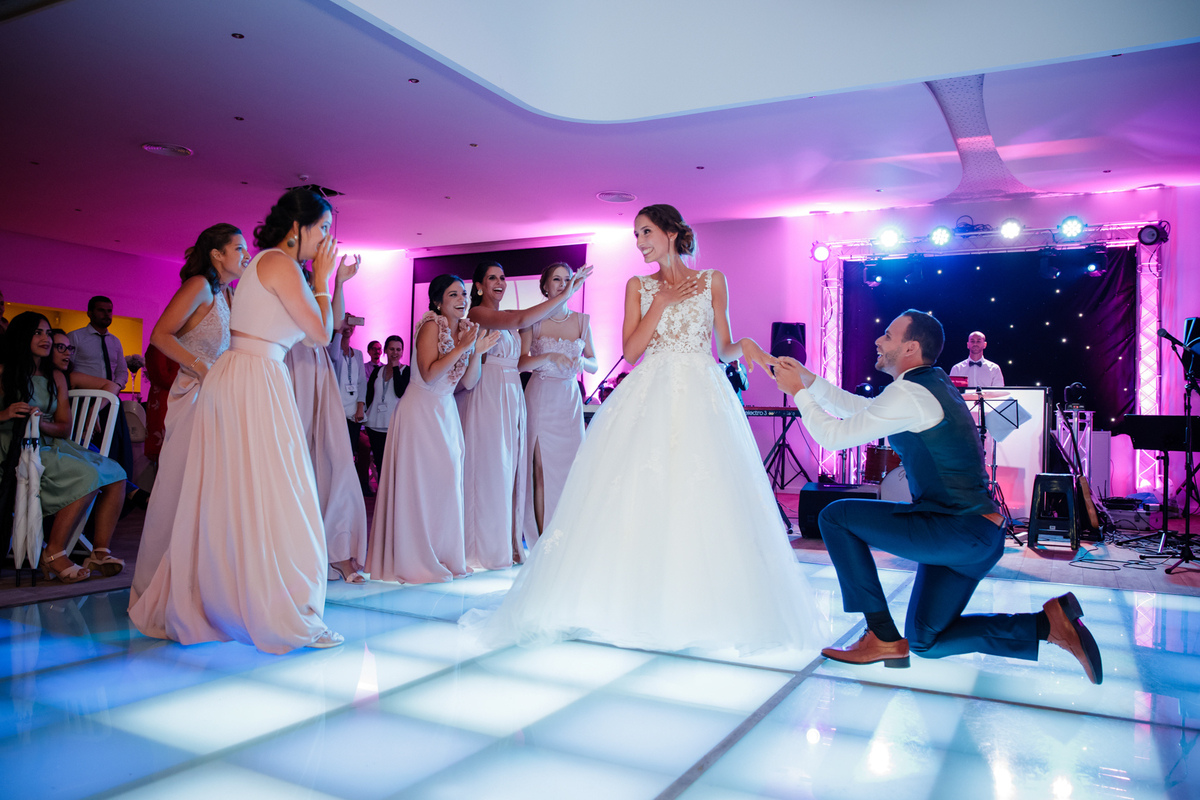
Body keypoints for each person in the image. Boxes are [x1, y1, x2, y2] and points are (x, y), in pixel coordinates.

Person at [466, 204, 819, 654]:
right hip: (651, 389)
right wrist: (663, 303)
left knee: (701, 493)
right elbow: (632, 351)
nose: (639, 242)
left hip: (702, 392)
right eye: (635, 234)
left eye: (646, 231)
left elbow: (724, 347)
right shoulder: (639, 285)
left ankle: (700, 607)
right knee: (637, 490)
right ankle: (621, 601)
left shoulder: (712, 280)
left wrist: (746, 345)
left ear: (672, 232)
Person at [772, 310, 1103, 683]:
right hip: (974, 537)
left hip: (957, 531)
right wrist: (808, 381)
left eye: (888, 335)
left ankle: (880, 634)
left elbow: (833, 436)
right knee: (926, 641)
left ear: (910, 347)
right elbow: (860, 409)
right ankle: (1047, 625)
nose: (878, 341)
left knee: (835, 517)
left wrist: (798, 393)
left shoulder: (909, 392)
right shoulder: (929, 383)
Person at [130, 188, 343, 653]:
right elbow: (321, 333)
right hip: (253, 377)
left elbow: (317, 334)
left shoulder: (272, 265)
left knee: (245, 491)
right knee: (273, 490)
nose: (327, 238)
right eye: (323, 228)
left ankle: (237, 595)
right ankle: (268, 603)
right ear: (298, 227)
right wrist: (324, 279)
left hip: (254, 375)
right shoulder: (279, 264)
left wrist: (330, 281)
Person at [128, 223, 246, 606]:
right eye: (239, 248)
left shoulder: (226, 293)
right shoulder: (198, 285)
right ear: (217, 254)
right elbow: (161, 335)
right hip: (194, 394)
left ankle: (201, 583)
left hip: (218, 396)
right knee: (183, 486)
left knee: (210, 490)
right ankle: (164, 584)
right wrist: (201, 366)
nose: (245, 256)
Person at [457, 259, 592, 568]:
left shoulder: (504, 315)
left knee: (512, 471)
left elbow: (517, 325)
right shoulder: (479, 313)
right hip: (490, 391)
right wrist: (566, 293)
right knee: (492, 468)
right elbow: (521, 320)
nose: (500, 282)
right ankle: (487, 547)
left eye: (502, 277)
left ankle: (509, 542)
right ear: (478, 286)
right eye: (492, 278)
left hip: (513, 393)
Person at [367, 275, 499, 583]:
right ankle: (417, 559)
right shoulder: (430, 326)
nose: (461, 299)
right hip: (420, 410)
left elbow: (467, 382)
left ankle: (444, 555)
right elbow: (427, 374)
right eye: (453, 294)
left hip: (445, 412)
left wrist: (475, 351)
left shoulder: (467, 330)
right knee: (421, 485)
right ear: (438, 301)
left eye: (464, 294)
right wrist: (461, 349)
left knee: (447, 483)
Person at [1, 313, 127, 582]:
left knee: (116, 473)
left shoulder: (55, 377)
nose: (46, 339)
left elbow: (63, 427)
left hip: (47, 442)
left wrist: (40, 422)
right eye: (38, 333)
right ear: (22, 337)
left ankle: (99, 551)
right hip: (15, 449)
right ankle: (54, 552)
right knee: (88, 475)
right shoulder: (3, 373)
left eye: (47, 333)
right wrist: (7, 413)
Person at [284, 254, 369, 584]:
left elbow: (332, 324)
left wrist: (338, 283)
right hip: (292, 372)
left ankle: (341, 553)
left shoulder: (314, 295)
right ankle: (298, 554)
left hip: (319, 373)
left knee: (337, 463)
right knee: (297, 464)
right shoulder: (278, 299)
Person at [518, 262, 597, 546]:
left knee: (571, 467)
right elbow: (521, 363)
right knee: (540, 470)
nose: (563, 284)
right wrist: (548, 358)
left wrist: (582, 362)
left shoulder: (582, 321)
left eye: (567, 279)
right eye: (557, 279)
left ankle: (569, 537)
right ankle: (542, 542)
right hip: (541, 397)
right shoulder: (533, 320)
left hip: (569, 400)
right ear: (545, 286)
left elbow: (594, 364)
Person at [329, 317, 371, 495]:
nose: (348, 327)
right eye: (345, 322)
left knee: (351, 451)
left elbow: (362, 381)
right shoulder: (331, 348)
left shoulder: (359, 354)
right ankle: (335, 488)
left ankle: (348, 488)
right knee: (337, 451)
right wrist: (338, 331)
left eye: (351, 323)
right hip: (336, 408)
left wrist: (360, 406)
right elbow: (333, 357)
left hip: (353, 410)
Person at [363, 335, 409, 481]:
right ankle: (382, 496)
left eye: (398, 349)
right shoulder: (378, 371)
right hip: (375, 424)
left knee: (395, 463)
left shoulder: (407, 371)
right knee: (380, 461)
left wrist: (395, 368)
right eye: (391, 349)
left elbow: (400, 391)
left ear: (402, 352)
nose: (395, 352)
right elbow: (369, 395)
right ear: (385, 350)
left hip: (394, 424)